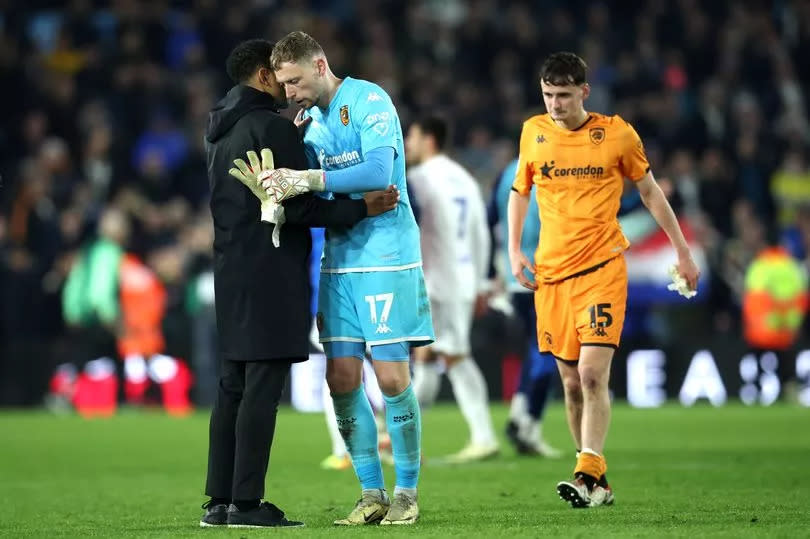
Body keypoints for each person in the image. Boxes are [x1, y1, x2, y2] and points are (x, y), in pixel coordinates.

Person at [201, 39, 398, 529]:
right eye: (281, 78)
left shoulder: (218, 132)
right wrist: (359, 208)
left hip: (230, 269)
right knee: (262, 388)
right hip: (270, 272)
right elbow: (297, 206)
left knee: (231, 387)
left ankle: (219, 503)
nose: (288, 89)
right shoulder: (270, 128)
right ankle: (247, 505)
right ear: (264, 77)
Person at [507, 52, 700, 508]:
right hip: (551, 276)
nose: (555, 104)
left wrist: (683, 251)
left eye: (564, 95)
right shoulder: (533, 132)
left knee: (593, 374)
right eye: (548, 95)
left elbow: (650, 193)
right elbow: (521, 191)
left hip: (601, 270)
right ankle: (596, 481)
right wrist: (515, 250)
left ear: (584, 92)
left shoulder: (616, 134)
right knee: (571, 384)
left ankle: (585, 471)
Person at [265, 31, 434, 525]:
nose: (289, 92)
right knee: (340, 378)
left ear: (319, 65)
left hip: (386, 256)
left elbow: (379, 171)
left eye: (294, 81)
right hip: (338, 261)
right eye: (282, 84)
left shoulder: (368, 99)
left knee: (390, 376)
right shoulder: (307, 125)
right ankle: (370, 493)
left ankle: (406, 492)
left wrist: (311, 178)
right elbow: (320, 199)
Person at [405, 115, 499, 463]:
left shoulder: (418, 179)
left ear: (429, 139)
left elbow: (412, 229)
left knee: (452, 356)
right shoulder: (464, 178)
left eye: (411, 136)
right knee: (431, 355)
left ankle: (482, 436)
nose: (408, 144)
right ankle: (404, 441)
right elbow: (481, 233)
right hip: (461, 278)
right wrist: (481, 283)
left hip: (435, 280)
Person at [490, 158, 562, 458]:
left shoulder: (506, 171)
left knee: (537, 347)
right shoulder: (556, 164)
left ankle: (520, 418)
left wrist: (490, 271)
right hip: (547, 273)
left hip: (513, 275)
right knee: (547, 349)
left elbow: (490, 216)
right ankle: (529, 424)